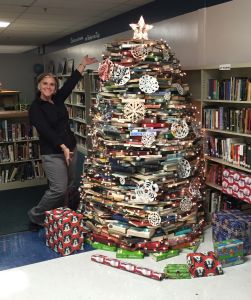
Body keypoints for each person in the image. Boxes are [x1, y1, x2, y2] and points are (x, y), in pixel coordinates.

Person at [28, 55, 97, 230]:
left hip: (71, 147)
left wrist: (82, 64)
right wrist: (63, 147)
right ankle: (35, 216)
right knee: (58, 188)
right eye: (45, 84)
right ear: (39, 86)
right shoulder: (35, 108)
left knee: (69, 185)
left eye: (52, 84)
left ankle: (60, 214)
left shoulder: (58, 100)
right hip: (53, 152)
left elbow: (71, 83)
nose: (48, 87)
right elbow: (46, 131)